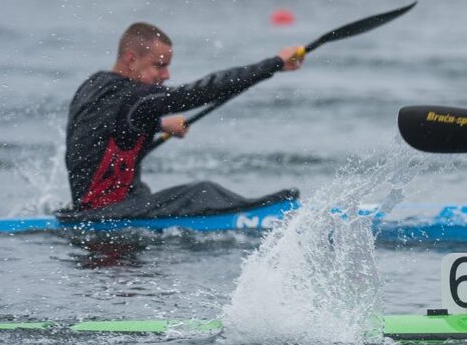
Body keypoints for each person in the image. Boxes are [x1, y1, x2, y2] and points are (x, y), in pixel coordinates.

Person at [63, 22, 305, 217]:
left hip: (94, 207)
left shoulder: (94, 85)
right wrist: (274, 64)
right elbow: (202, 91)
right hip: (106, 213)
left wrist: (157, 125)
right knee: (202, 191)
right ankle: (263, 215)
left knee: (150, 190)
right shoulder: (136, 98)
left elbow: (103, 131)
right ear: (130, 59)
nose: (166, 75)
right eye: (159, 66)